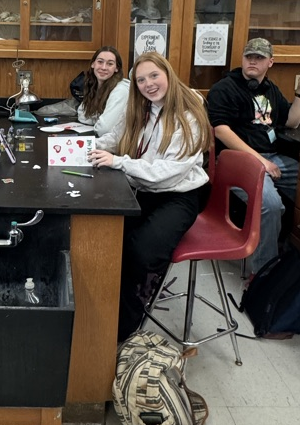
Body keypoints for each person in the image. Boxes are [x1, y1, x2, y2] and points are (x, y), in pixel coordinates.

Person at [90, 52, 211, 340]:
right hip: (146, 190)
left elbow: (170, 173)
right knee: (109, 238)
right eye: (141, 80)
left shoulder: (189, 113)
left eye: (154, 76)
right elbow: (115, 138)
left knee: (142, 252)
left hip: (180, 195)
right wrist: (85, 147)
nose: (148, 84)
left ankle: (123, 331)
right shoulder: (141, 108)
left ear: (168, 74)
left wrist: (119, 162)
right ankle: (102, 314)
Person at [207, 37, 300, 276]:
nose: (253, 61)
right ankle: (263, 273)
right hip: (236, 162)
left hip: (271, 157)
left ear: (270, 62)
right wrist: (260, 161)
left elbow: (291, 122)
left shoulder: (270, 89)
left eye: (259, 58)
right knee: (270, 205)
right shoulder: (224, 88)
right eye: (249, 57)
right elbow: (221, 130)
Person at [77, 45, 130, 136]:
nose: (104, 67)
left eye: (110, 64)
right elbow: (81, 114)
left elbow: (105, 129)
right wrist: (99, 122)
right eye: (100, 62)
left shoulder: (121, 90)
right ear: (93, 64)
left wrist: (97, 122)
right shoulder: (95, 85)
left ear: (116, 68)